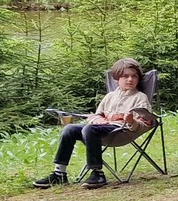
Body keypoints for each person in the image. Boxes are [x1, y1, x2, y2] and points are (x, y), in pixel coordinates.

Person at [33, 58, 156, 189]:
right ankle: (59, 173)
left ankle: (97, 174)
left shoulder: (140, 97)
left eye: (134, 76)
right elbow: (97, 115)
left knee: (89, 129)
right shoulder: (110, 96)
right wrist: (97, 119)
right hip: (101, 129)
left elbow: (145, 124)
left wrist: (131, 121)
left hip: (122, 132)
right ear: (116, 79)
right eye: (125, 76)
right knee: (69, 129)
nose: (130, 80)